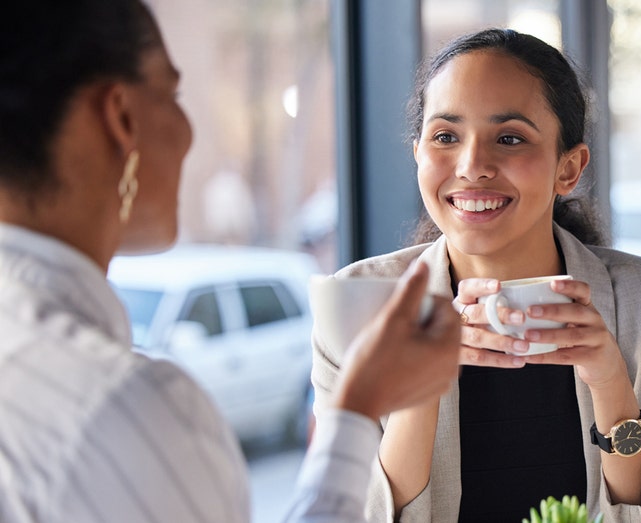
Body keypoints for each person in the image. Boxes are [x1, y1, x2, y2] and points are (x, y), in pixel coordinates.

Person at [0, 2, 461, 522]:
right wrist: (358, 409)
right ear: (120, 117)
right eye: (171, 94)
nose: (189, 130)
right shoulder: (119, 407)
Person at [311, 28, 641, 522]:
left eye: (509, 138)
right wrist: (420, 383)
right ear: (417, 153)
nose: (473, 165)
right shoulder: (355, 304)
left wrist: (612, 383)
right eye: (445, 136)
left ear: (568, 168)